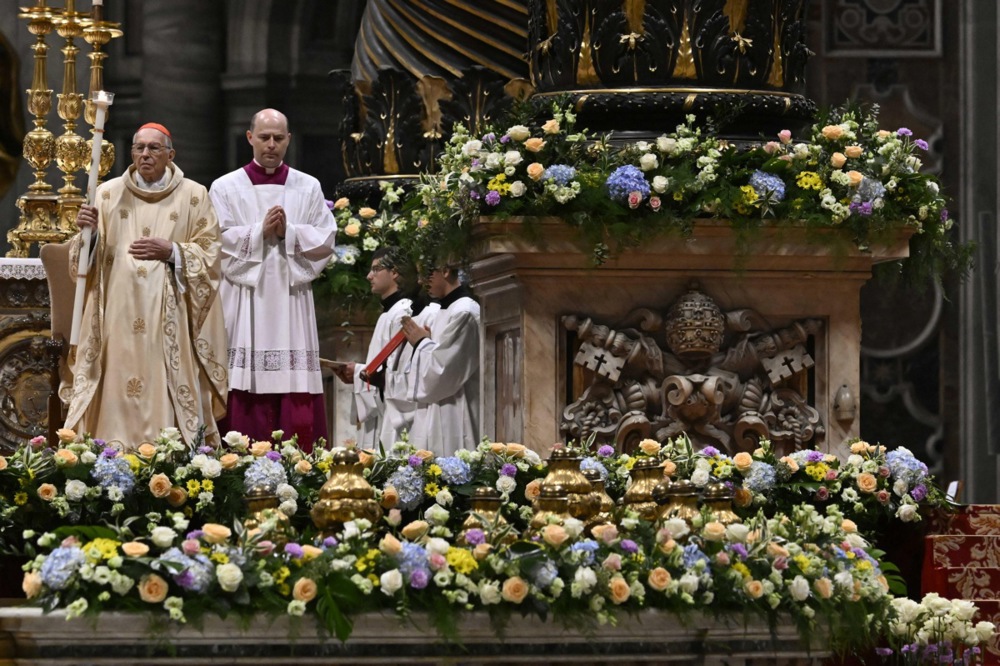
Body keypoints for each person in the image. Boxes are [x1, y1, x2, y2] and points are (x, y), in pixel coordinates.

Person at [66, 122, 229, 449]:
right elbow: (81, 265)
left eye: (154, 148)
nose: (145, 155)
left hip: (168, 318)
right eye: (139, 148)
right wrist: (90, 234)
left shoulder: (194, 196)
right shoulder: (107, 193)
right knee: (116, 378)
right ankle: (109, 450)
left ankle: (167, 454)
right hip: (117, 312)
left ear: (171, 154)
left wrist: (172, 251)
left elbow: (212, 254)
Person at [209, 109, 337, 450]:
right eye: (264, 137)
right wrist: (258, 232)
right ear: (249, 137)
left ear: (289, 140)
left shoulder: (307, 187)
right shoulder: (224, 187)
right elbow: (212, 242)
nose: (271, 145)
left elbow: (326, 240)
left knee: (292, 382)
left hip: (290, 300)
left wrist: (288, 234)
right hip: (243, 299)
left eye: (278, 138)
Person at [333, 247, 414, 447]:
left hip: (395, 413)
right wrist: (359, 371)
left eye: (376, 269)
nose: (369, 276)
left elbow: (398, 371)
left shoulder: (403, 312)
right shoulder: (388, 314)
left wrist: (360, 371)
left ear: (394, 272)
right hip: (382, 407)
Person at [400, 264, 480, 455]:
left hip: (454, 410)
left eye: (424, 274)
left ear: (444, 270)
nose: (420, 281)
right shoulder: (438, 312)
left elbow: (443, 371)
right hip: (431, 409)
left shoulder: (464, 312)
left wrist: (421, 343)